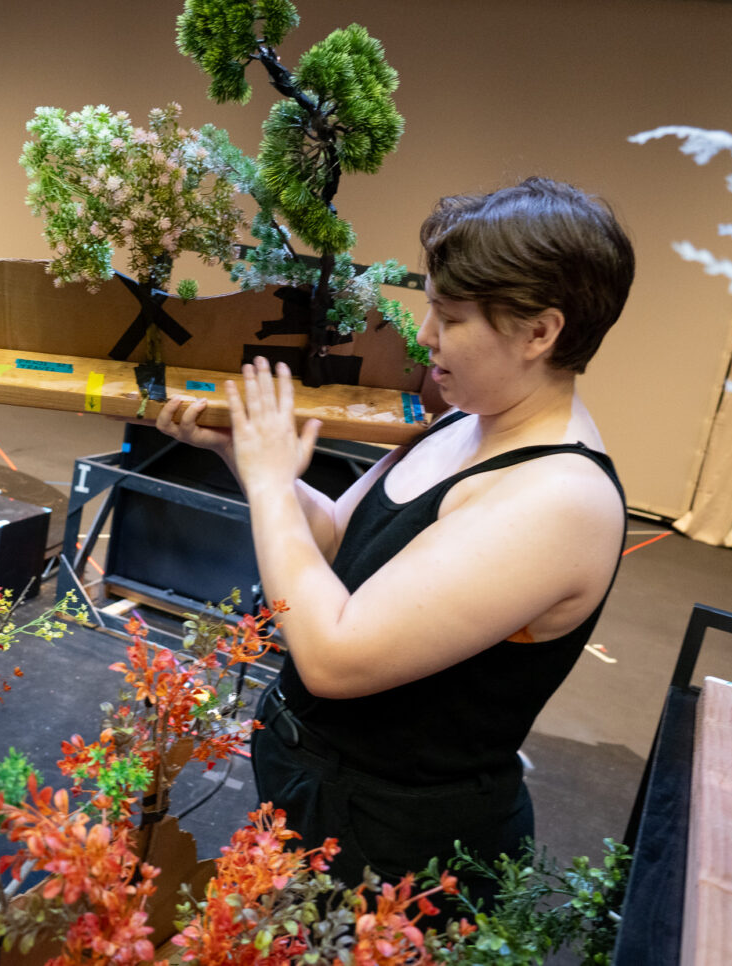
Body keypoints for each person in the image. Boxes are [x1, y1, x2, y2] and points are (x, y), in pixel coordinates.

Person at [155, 177, 635, 906]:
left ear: (541, 332)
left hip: (397, 855)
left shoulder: (560, 499)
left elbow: (334, 656)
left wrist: (266, 482)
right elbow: (337, 541)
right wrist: (237, 450)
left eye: (449, 316)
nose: (426, 337)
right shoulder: (463, 421)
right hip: (321, 795)